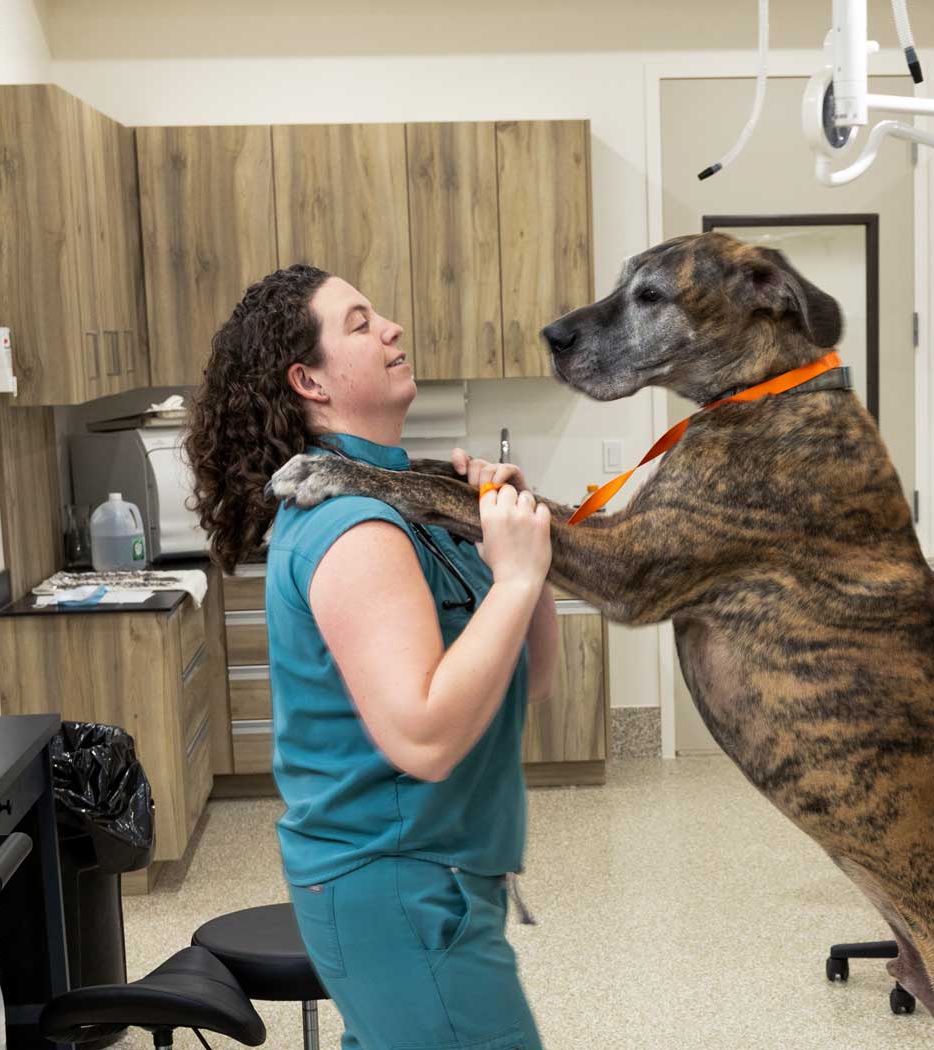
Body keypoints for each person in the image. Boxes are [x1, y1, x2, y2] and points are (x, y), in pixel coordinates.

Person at [186, 263, 556, 1050]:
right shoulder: (354, 528)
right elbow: (423, 737)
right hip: (396, 885)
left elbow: (527, 681)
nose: (390, 327)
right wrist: (516, 577)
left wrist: (522, 560)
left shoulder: (407, 502)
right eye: (358, 323)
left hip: (439, 878)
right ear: (309, 380)